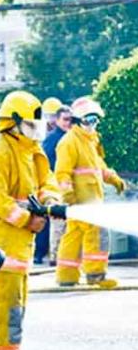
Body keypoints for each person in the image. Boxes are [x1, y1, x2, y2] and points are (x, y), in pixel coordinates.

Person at [0, 90, 65, 350]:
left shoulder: (31, 151)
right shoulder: (1, 152)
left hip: (18, 247)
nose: (37, 130)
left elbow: (47, 181)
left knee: (11, 313)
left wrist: (50, 201)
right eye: (31, 124)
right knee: (4, 313)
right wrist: (28, 221)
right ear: (14, 122)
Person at [55, 97, 126, 288]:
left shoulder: (90, 141)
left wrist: (114, 179)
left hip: (90, 202)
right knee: (96, 237)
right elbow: (62, 174)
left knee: (74, 238)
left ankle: (67, 277)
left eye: (95, 120)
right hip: (82, 202)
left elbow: (98, 167)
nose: (92, 125)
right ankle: (96, 276)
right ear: (78, 120)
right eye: (88, 120)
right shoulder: (69, 142)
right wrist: (70, 198)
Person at [37, 106, 72, 265]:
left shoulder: (68, 137)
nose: (68, 123)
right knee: (55, 223)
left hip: (63, 185)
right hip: (54, 186)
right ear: (57, 120)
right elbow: (46, 163)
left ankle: (49, 254)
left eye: (70, 119)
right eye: (65, 119)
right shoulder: (53, 138)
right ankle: (51, 256)